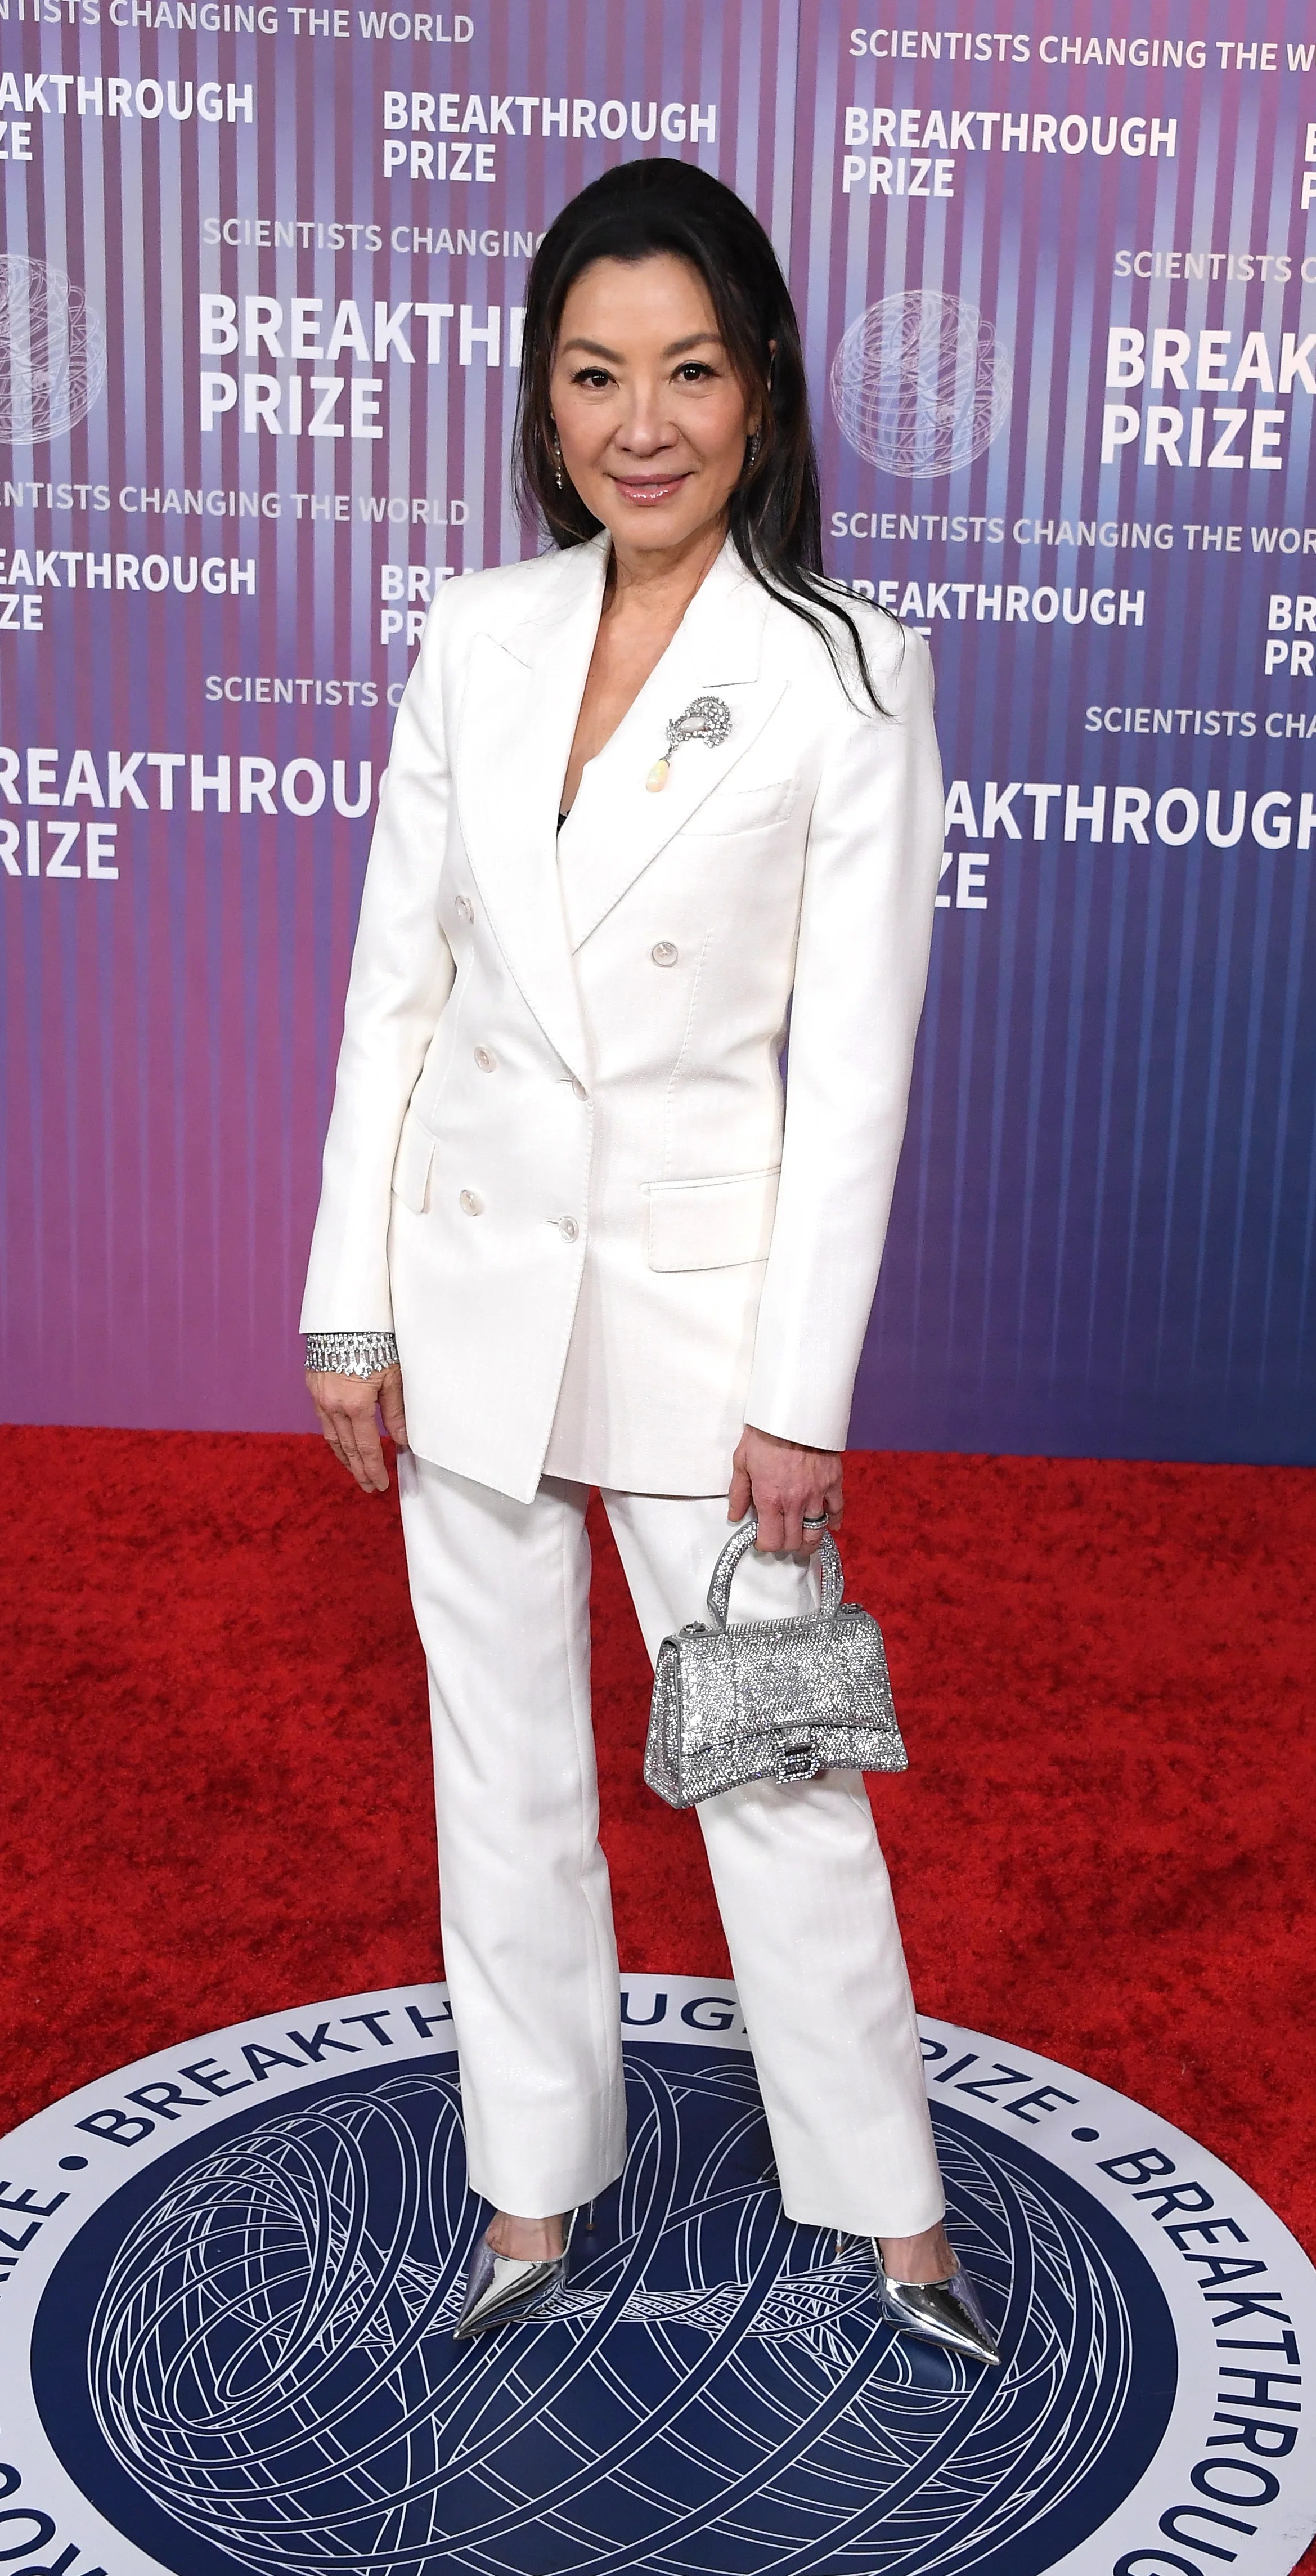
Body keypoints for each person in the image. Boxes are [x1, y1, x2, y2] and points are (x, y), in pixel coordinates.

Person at [299, 157, 995, 2366]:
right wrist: (352, 1300)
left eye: (687, 368)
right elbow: (390, 994)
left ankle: (888, 2212)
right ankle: (534, 2181)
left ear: (765, 393)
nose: (642, 419)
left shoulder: (849, 674)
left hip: (709, 1330)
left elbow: (855, 1071)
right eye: (595, 373)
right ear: (543, 399)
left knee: (774, 1768)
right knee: (492, 1754)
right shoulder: (475, 637)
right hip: (476, 1281)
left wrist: (804, 1388)